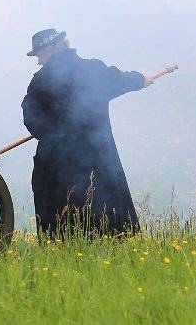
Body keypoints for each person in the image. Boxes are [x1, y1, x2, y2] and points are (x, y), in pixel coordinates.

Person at [21, 28, 173, 239]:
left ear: (54, 47)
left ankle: (64, 247)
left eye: (40, 53)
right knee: (105, 210)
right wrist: (141, 80)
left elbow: (31, 120)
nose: (38, 60)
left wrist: (53, 130)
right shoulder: (93, 69)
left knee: (61, 220)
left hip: (57, 162)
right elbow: (120, 80)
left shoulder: (41, 82)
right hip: (98, 156)